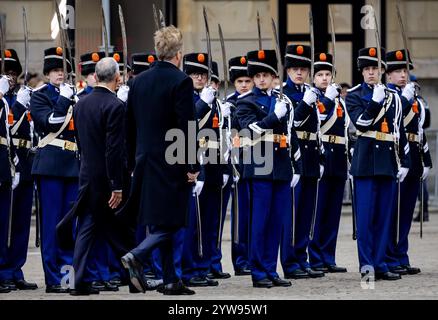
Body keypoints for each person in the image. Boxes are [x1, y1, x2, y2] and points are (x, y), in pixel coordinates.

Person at [120, 25, 199, 295]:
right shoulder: (181, 81)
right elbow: (186, 126)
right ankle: (137, 254)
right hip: (172, 162)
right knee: (174, 221)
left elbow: (128, 126)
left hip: (144, 161)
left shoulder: (138, 81)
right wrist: (191, 166)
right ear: (178, 55)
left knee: (159, 221)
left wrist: (130, 162)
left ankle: (170, 280)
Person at [63, 57, 139, 295]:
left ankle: (75, 282)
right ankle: (136, 279)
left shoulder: (81, 104)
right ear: (118, 78)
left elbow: (82, 144)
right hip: (107, 180)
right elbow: (113, 150)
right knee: (119, 230)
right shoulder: (116, 106)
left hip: (87, 175)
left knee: (88, 229)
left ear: (95, 77)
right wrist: (117, 185)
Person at [236, 48, 301, 288]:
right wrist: (274, 117)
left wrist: (295, 164)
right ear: (252, 78)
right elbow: (249, 129)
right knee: (260, 221)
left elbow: (291, 134)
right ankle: (258, 271)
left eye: (267, 74)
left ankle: (271, 269)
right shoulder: (246, 102)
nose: (262, 79)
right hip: (260, 165)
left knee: (277, 221)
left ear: (275, 77)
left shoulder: (282, 99)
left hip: (281, 165)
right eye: (258, 75)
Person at [345, 47, 410, 281]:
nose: (371, 73)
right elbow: (361, 125)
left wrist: (405, 161)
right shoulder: (353, 95)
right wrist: (374, 102)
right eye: (367, 69)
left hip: (387, 162)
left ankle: (381, 262)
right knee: (365, 219)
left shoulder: (394, 97)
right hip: (365, 164)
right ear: (362, 72)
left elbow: (399, 131)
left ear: (382, 71)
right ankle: (367, 266)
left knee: (384, 218)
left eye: (376, 68)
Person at [29, 47, 79, 293]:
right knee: (51, 224)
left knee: (69, 225)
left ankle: (66, 277)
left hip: (72, 166)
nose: (60, 74)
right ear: (48, 73)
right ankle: (52, 279)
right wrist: (63, 100)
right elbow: (49, 122)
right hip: (50, 165)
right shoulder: (40, 96)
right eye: (56, 71)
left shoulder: (73, 96)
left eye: (63, 70)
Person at [385, 49, 432, 275]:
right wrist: (404, 99)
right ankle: (389, 257)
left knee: (406, 212)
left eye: (404, 71)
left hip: (413, 156)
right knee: (392, 211)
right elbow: (392, 121)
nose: (402, 75)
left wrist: (426, 160)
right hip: (396, 157)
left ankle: (401, 255)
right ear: (388, 75)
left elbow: (420, 130)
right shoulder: (387, 95)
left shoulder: (414, 97)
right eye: (397, 71)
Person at [280, 44, 325, 279]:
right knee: (293, 213)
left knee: (308, 212)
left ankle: (302, 257)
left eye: (303, 69)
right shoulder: (283, 93)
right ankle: (289, 262)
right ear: (287, 71)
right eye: (295, 69)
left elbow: (317, 128)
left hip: (311, 157)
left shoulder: (311, 91)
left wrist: (321, 157)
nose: (299, 73)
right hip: (294, 158)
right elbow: (293, 123)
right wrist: (306, 103)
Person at [307, 53, 348, 273]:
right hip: (320, 158)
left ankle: (328, 256)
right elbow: (316, 121)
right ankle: (314, 257)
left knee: (333, 213)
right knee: (318, 211)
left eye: (327, 74)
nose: (324, 78)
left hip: (338, 159)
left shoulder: (339, 99)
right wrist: (326, 100)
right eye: (320, 75)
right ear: (313, 78)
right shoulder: (313, 97)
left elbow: (345, 130)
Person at [225, 55, 253, 276]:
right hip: (238, 163)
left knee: (257, 214)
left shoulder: (257, 100)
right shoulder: (229, 104)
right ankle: (240, 259)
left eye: (247, 81)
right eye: (240, 82)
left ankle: (254, 256)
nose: (244, 85)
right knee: (240, 215)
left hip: (259, 161)